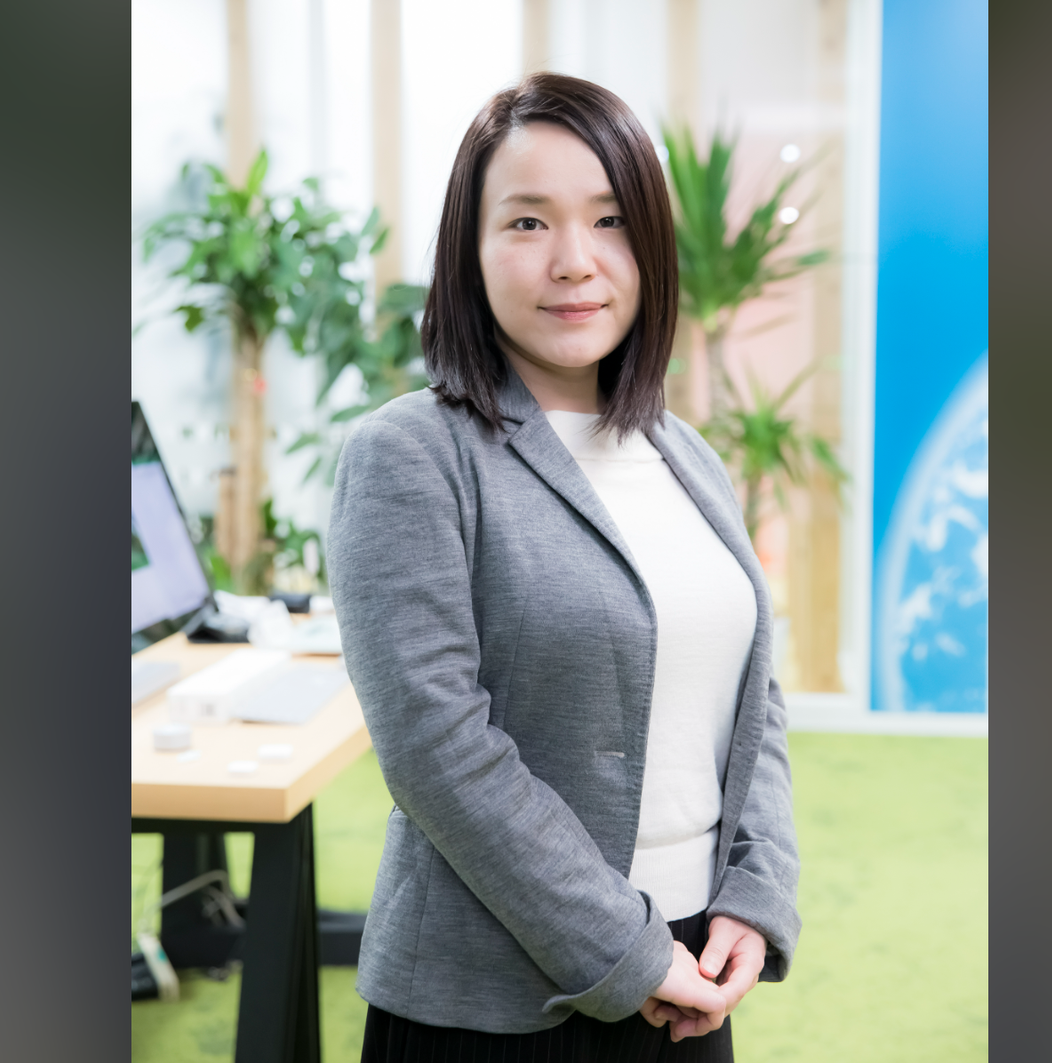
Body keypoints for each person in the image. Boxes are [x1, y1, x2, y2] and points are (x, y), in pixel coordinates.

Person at [328, 73, 800, 1062]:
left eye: (611, 219)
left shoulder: (685, 453)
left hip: (693, 970)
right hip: (492, 1005)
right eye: (528, 222)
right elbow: (437, 750)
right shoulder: (411, 454)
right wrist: (627, 948)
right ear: (470, 250)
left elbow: (754, 699)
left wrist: (755, 895)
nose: (575, 261)